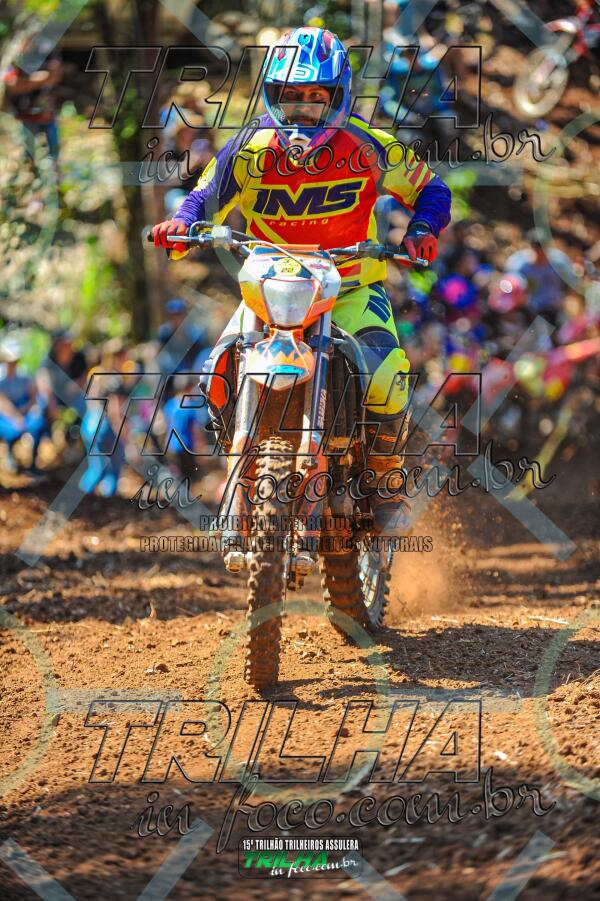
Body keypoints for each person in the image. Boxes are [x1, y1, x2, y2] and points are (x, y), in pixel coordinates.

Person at [152, 27, 451, 528]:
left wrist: (422, 228)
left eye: (316, 97)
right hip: (268, 291)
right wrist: (182, 225)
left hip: (350, 288)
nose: (303, 109)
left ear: (339, 96)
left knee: (386, 380)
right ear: (273, 95)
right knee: (216, 376)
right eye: (292, 96)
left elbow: (431, 188)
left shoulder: (367, 145)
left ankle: (385, 483)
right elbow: (203, 197)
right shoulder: (249, 148)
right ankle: (239, 463)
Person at [0, 340, 47, 474]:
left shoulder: (24, 374)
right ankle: (10, 455)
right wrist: (16, 416)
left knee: (37, 423)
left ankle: (33, 462)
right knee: (11, 430)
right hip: (6, 415)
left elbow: (33, 397)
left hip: (24, 412)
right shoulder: (1, 376)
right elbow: (2, 403)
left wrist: (27, 409)